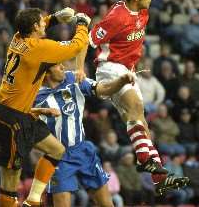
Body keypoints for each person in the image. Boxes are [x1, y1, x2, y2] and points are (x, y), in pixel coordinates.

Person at [77, 0, 189, 195]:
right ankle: (145, 159)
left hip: (128, 69)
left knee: (142, 123)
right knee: (136, 109)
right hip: (110, 68)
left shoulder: (144, 12)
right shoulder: (116, 17)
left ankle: (159, 178)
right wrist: (80, 68)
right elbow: (86, 41)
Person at [0, 7, 91, 207]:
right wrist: (81, 24)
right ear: (35, 27)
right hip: (11, 119)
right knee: (10, 179)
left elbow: (35, 24)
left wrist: (55, 18)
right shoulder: (40, 49)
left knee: (57, 150)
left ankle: (33, 200)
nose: (44, 23)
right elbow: (75, 47)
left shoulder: (17, 38)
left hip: (21, 113)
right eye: (42, 22)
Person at [34, 63, 136, 207]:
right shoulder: (34, 95)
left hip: (82, 151)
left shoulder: (73, 79)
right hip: (58, 158)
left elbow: (102, 89)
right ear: (46, 73)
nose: (63, 67)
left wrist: (122, 81)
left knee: (107, 204)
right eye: (58, 66)